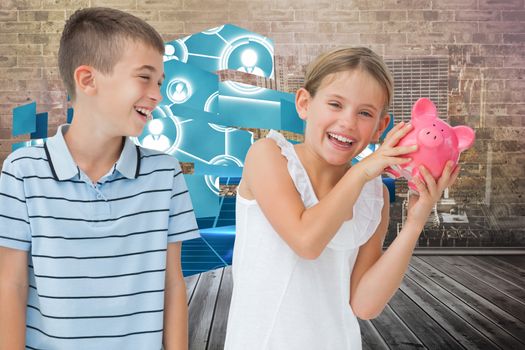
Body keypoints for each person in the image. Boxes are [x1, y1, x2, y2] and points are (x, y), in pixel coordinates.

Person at [224, 47, 460, 349]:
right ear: (304, 103)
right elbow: (306, 241)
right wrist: (362, 171)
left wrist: (415, 223)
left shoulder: (374, 196)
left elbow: (365, 305)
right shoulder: (268, 156)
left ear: (380, 127)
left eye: (365, 113)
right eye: (335, 104)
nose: (348, 122)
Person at [0, 7, 200, 350]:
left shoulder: (165, 175)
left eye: (160, 82)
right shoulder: (22, 172)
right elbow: (12, 284)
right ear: (88, 79)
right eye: (144, 77)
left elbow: (173, 284)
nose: (157, 94)